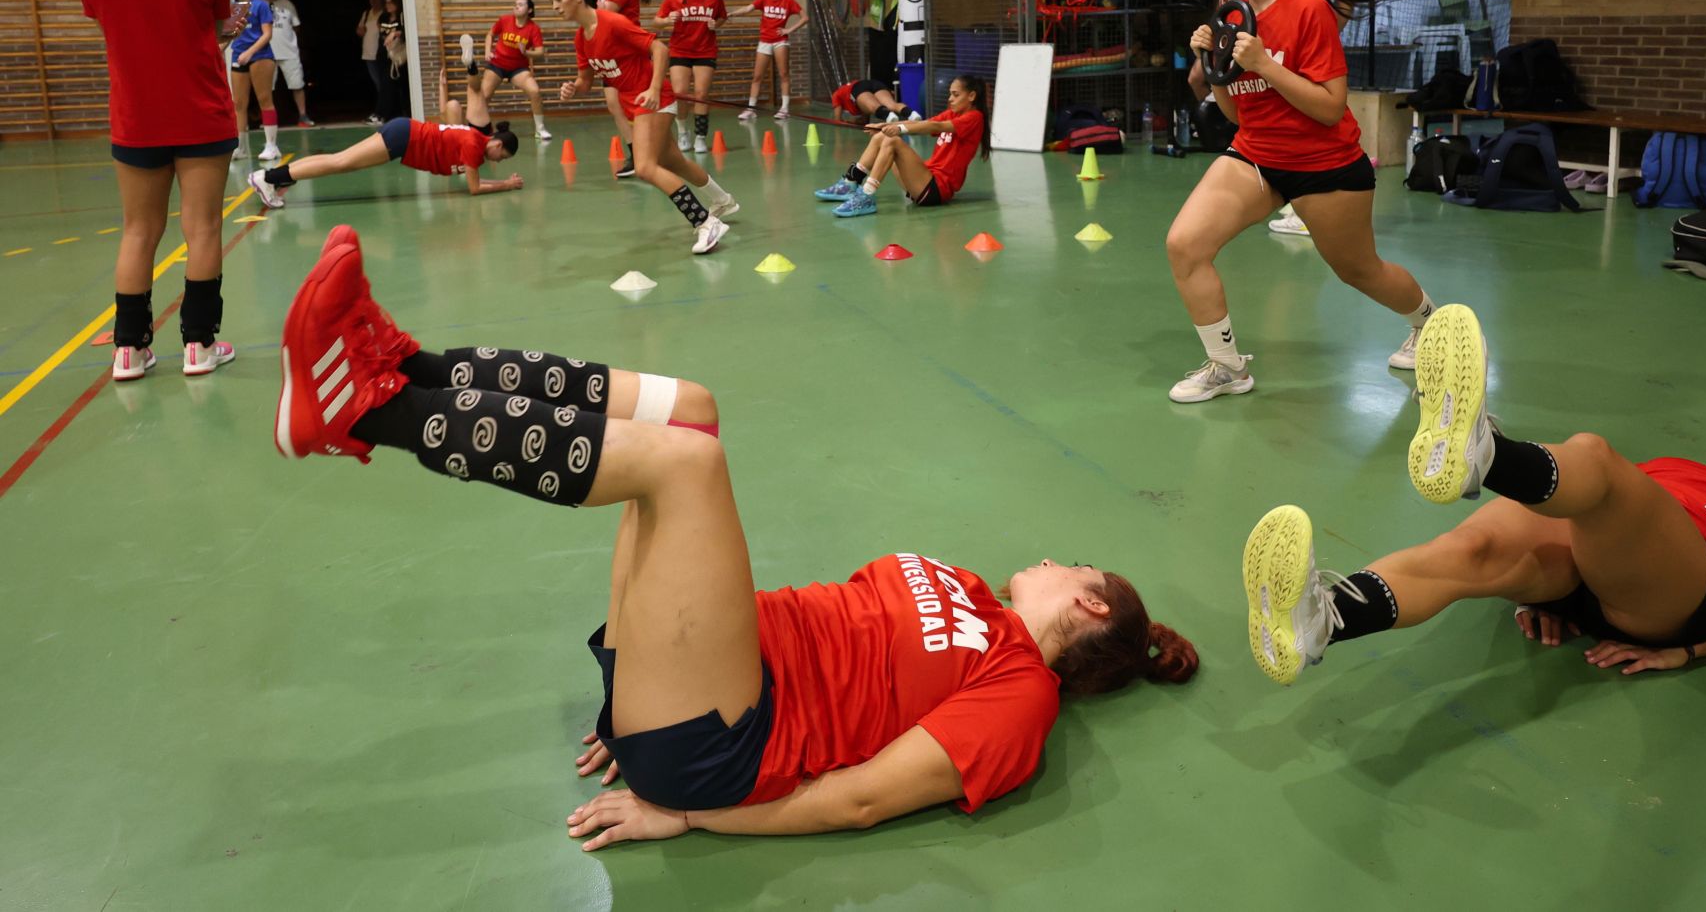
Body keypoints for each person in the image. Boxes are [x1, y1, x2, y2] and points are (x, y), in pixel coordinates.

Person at [270, 226, 1199, 844]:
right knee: (695, 413)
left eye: (1064, 566)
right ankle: (407, 366)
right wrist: (636, 676)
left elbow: (866, 794)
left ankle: (369, 415)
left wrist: (689, 812)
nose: (1041, 559)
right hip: (700, 677)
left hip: (722, 747)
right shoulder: (964, 589)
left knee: (684, 467)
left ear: (1089, 601)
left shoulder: (1020, 699)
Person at [1242, 303, 1706, 686]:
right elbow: (1595, 533)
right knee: (1469, 548)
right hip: (1602, 565)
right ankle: (1323, 618)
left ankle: (1485, 456)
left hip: (1685, 596)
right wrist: (1549, 594)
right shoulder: (1673, 468)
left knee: (1595, 459)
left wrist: (1688, 651)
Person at [1164, 0, 1468, 404]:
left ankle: (1431, 327)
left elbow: (1329, 108)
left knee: (1358, 270)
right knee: (1185, 246)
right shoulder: (1233, 7)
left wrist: (1263, 63)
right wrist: (1212, 63)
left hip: (1324, 164)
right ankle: (1226, 367)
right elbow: (1237, 115)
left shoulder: (1307, 8)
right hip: (1256, 154)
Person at [75, 0, 239, 380]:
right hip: (203, 118)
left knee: (138, 231)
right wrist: (222, 33)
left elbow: (125, 28)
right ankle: (199, 346)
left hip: (136, 119)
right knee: (204, 228)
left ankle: (128, 350)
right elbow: (203, 33)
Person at [548, 0, 737, 255]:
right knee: (673, 161)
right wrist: (572, 88)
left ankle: (706, 223)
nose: (554, 6)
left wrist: (653, 88)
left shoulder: (611, 22)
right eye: (551, 1)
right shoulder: (580, 39)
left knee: (645, 167)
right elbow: (586, 81)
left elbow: (659, 49)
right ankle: (722, 200)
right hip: (635, 103)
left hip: (653, 99)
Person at [247, 117, 521, 207]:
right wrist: (507, 185)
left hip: (403, 133)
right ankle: (268, 178)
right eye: (502, 156)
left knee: (339, 161)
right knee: (340, 162)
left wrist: (501, 182)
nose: (499, 161)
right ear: (497, 144)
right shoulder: (475, 145)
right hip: (404, 137)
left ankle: (276, 177)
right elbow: (474, 188)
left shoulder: (476, 144)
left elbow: (474, 182)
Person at [815, 75, 985, 218]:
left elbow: (936, 127)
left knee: (893, 140)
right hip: (924, 180)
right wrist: (882, 126)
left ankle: (866, 195)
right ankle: (851, 182)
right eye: (950, 94)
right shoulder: (953, 113)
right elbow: (925, 123)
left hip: (937, 189)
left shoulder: (974, 117)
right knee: (883, 136)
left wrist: (899, 129)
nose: (950, 99)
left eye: (955, 95)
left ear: (971, 96)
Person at [650, 0, 727, 153]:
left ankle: (700, 137)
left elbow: (722, 17)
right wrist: (667, 20)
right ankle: (683, 132)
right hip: (680, 51)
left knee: (701, 95)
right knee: (681, 93)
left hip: (705, 50)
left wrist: (715, 24)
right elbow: (656, 22)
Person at [459, 0, 551, 140]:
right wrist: (487, 51)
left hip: (518, 68)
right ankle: (472, 130)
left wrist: (526, 52)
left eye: (520, 5)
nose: (516, 7)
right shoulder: (504, 20)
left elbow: (540, 52)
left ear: (530, 10)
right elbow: (490, 34)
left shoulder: (533, 29)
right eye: (515, 4)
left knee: (535, 91)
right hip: (497, 65)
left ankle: (540, 129)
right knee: (483, 96)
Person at [597, 0, 650, 176]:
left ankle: (649, 153)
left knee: (635, 107)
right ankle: (636, 155)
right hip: (611, 55)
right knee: (613, 104)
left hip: (629, 55)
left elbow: (606, 11)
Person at [226, 0, 281, 166]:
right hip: (237, 57)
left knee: (264, 99)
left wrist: (249, 52)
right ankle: (240, 147)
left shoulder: (260, 5)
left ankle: (271, 145)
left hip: (260, 56)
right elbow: (229, 35)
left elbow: (267, 34)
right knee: (239, 103)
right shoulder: (233, 8)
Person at [738, 0, 807, 120]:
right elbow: (748, 8)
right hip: (764, 41)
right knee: (757, 76)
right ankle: (751, 109)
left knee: (784, 74)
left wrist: (788, 30)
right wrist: (731, 13)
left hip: (780, 41)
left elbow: (805, 17)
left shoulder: (788, 1)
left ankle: (784, 108)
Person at [261, 0, 313, 127]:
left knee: (297, 85)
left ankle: (303, 116)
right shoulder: (257, 4)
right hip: (266, 53)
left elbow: (296, 27)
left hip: (289, 52)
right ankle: (267, 120)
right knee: (266, 88)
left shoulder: (287, 4)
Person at [377, 0, 410, 124]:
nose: (388, 5)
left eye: (391, 2)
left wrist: (395, 33)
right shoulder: (383, 17)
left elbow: (406, 31)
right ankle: (387, 113)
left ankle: (401, 112)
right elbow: (380, 32)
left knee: (397, 84)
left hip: (398, 56)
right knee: (384, 84)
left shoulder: (402, 16)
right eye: (386, 2)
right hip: (384, 54)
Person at [355, 0, 385, 124]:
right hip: (368, 53)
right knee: (377, 84)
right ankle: (380, 111)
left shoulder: (384, 13)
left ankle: (382, 112)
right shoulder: (367, 13)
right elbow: (359, 31)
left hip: (380, 53)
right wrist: (361, 30)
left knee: (382, 84)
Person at [829, 79, 917, 124]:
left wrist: (844, 121)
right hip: (873, 83)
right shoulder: (844, 91)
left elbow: (837, 120)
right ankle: (912, 114)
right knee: (891, 105)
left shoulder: (836, 95)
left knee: (874, 107)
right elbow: (865, 119)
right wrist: (857, 121)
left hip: (857, 88)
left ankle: (888, 116)